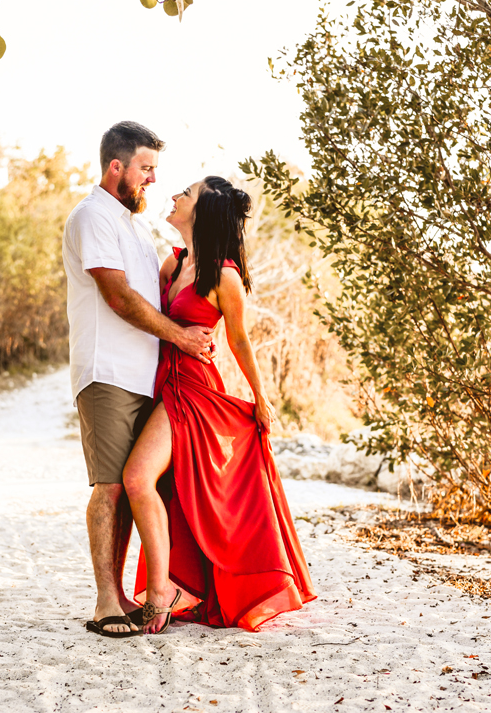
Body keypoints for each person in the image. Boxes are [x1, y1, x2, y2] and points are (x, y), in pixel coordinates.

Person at [123, 176, 317, 634]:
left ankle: (161, 590)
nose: (173, 196)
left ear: (204, 211)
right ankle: (180, 585)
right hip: (162, 384)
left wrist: (261, 398)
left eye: (185, 194)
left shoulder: (224, 275)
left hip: (193, 392)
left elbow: (240, 341)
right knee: (176, 494)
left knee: (138, 478)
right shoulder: (174, 264)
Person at [62, 122, 215, 638]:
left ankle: (129, 593)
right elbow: (119, 297)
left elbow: (161, 286)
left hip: (145, 377)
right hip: (106, 371)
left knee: (133, 486)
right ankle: (107, 599)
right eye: (145, 169)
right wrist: (180, 337)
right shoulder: (91, 217)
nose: (152, 179)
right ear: (116, 167)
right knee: (108, 486)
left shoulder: (134, 224)